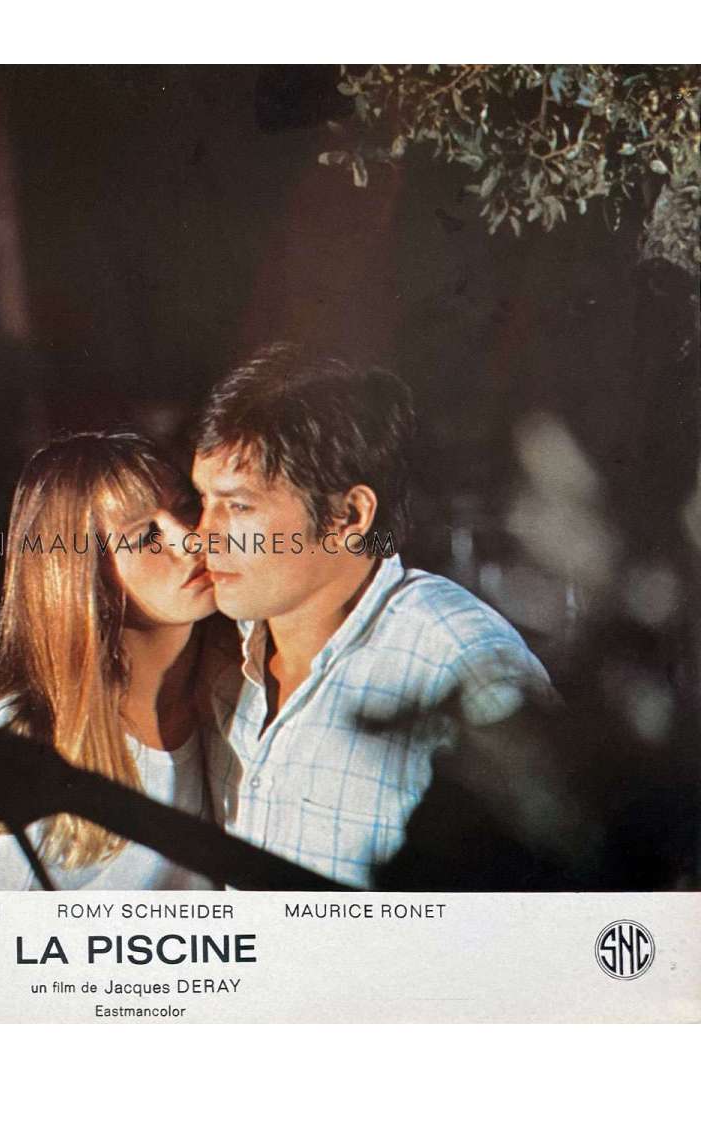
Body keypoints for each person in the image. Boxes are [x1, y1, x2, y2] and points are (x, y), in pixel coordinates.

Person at [190, 345, 554, 889]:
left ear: (348, 514)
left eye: (238, 506)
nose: (203, 536)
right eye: (203, 500)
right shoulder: (223, 647)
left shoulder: (462, 660)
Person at [0, 432, 226, 890]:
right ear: (86, 574)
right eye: (145, 536)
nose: (189, 541)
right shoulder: (22, 735)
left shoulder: (240, 690)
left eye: (187, 508)